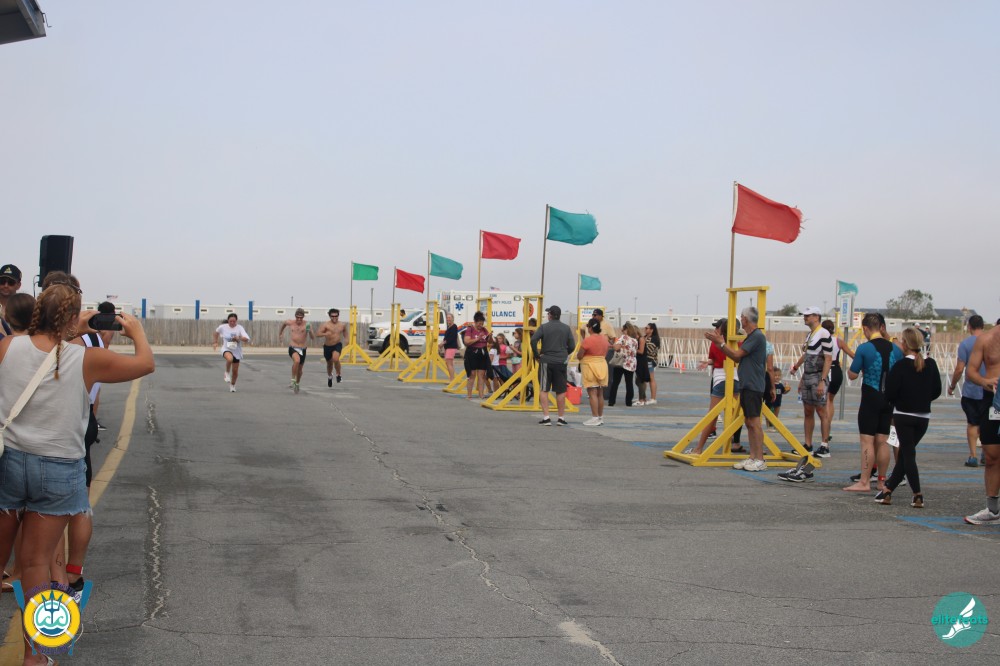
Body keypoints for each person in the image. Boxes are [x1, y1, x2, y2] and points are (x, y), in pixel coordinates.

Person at [0, 281, 154, 665]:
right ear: (72, 317)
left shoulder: (7, 347)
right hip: (57, 468)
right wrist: (136, 331)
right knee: (36, 564)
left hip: (11, 462)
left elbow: (36, 351)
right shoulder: (86, 358)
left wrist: (68, 328)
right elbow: (144, 364)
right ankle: (36, 655)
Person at [875, 327, 941, 507]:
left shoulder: (900, 366)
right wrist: (923, 398)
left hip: (903, 415)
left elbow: (890, 392)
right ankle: (888, 490)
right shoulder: (931, 364)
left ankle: (917, 494)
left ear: (905, 343)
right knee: (905, 455)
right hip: (923, 417)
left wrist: (897, 402)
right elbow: (936, 390)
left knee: (908, 455)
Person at [842, 313, 903, 492]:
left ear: (866, 329)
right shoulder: (896, 349)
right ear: (881, 327)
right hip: (889, 399)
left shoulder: (864, 348)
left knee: (867, 440)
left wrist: (859, 369)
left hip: (870, 397)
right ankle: (882, 481)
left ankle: (864, 482)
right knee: (883, 441)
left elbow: (852, 375)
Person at [705, 307, 768, 471]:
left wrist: (720, 343)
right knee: (749, 422)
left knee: (755, 423)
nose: (741, 320)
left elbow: (736, 355)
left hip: (754, 385)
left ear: (746, 319)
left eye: (742, 317)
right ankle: (753, 457)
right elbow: (737, 357)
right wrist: (720, 344)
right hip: (746, 384)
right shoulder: (750, 337)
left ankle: (760, 459)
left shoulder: (757, 336)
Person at [963, 322, 1000, 524]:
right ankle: (993, 509)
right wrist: (985, 381)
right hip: (993, 401)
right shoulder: (986, 339)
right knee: (992, 455)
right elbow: (971, 371)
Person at [688, 318, 739, 455]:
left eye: (718, 327)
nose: (715, 329)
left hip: (721, 378)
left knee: (712, 415)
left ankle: (699, 448)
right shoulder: (740, 342)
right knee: (736, 414)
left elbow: (718, 358)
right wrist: (709, 362)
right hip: (736, 377)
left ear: (723, 329)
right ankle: (735, 443)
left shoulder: (716, 343)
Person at [789, 307, 833, 456]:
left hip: (818, 376)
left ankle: (825, 445)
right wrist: (797, 369)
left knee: (821, 411)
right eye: (805, 315)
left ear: (816, 316)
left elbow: (828, 358)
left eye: (807, 315)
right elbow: (807, 355)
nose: (805, 318)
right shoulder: (810, 334)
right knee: (808, 411)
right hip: (808, 375)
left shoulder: (823, 333)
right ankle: (807, 445)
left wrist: (822, 381)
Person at [949, 315, 987, 467]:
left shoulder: (965, 344)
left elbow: (959, 369)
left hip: (971, 391)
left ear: (969, 326)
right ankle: (986, 453)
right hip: (990, 390)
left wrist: (952, 385)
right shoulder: (991, 342)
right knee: (987, 423)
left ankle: (973, 456)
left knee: (972, 424)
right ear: (983, 326)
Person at [531, 305, 575, 425]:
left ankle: (546, 418)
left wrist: (537, 355)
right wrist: (564, 353)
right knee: (561, 390)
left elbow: (533, 340)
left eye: (548, 314)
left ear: (550, 315)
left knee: (544, 389)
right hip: (561, 362)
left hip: (546, 361)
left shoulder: (544, 327)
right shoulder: (566, 328)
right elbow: (572, 345)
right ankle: (561, 418)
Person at [819, 319, 856, 448]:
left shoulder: (820, 341)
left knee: (824, 401)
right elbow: (852, 354)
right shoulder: (838, 341)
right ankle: (828, 425)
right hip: (836, 371)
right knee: (830, 400)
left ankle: (826, 427)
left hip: (825, 370)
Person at [577, 318, 609, 426]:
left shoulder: (588, 340)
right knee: (600, 393)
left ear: (590, 328)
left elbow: (580, 355)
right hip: (602, 365)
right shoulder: (604, 339)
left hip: (590, 366)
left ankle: (594, 417)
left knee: (592, 393)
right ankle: (600, 417)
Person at [279, 308, 314, 393]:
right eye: (297, 317)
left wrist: (309, 331)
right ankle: (292, 380)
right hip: (293, 347)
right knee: (297, 360)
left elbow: (312, 338)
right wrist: (280, 333)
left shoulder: (307, 324)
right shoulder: (290, 322)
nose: (299, 319)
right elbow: (284, 324)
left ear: (303, 317)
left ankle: (297, 383)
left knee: (300, 370)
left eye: (301, 318)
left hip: (302, 349)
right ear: (295, 316)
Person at [213, 313, 250, 392]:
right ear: (228, 320)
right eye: (230, 321)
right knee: (230, 359)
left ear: (236, 321)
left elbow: (246, 339)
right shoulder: (223, 327)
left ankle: (232, 385)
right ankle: (226, 372)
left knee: (235, 372)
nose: (232, 323)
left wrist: (238, 338)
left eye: (234, 321)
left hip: (236, 351)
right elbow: (216, 332)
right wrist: (215, 342)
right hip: (226, 348)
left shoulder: (240, 328)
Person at [608, 322, 639, 407]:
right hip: (631, 363)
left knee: (615, 382)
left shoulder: (623, 337)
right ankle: (628, 402)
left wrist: (614, 344)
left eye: (623, 329)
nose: (622, 331)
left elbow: (616, 347)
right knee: (629, 383)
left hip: (621, 361)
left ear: (626, 330)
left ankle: (611, 401)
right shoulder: (635, 340)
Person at [463, 311, 492, 400]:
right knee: (472, 374)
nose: (480, 325)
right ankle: (469, 394)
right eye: (479, 323)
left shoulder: (484, 330)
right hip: (472, 353)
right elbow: (466, 342)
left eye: (482, 324)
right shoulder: (470, 329)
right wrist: (478, 339)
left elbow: (490, 342)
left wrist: (490, 337)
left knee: (481, 375)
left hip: (482, 353)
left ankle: (481, 394)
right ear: (475, 322)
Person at [317, 308, 347, 387]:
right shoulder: (326, 325)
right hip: (327, 346)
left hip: (337, 345)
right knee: (329, 364)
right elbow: (318, 334)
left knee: (336, 359)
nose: (334, 318)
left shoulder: (342, 325)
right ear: (330, 316)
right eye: (332, 316)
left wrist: (347, 339)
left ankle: (338, 375)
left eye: (336, 316)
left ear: (338, 316)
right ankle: (330, 376)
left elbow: (345, 332)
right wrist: (325, 334)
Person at [0, 264, 22, 338]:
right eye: (2, 281)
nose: (6, 285)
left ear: (19, 285)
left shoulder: (23, 307)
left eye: (11, 282)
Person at [439, 313, 460, 381]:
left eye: (449, 318)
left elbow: (451, 338)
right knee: (448, 363)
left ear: (452, 318)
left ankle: (452, 379)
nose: (448, 319)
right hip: (448, 348)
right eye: (447, 318)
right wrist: (442, 343)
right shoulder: (449, 327)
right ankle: (451, 378)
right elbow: (446, 337)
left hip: (451, 347)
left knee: (449, 363)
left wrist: (442, 343)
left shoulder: (454, 327)